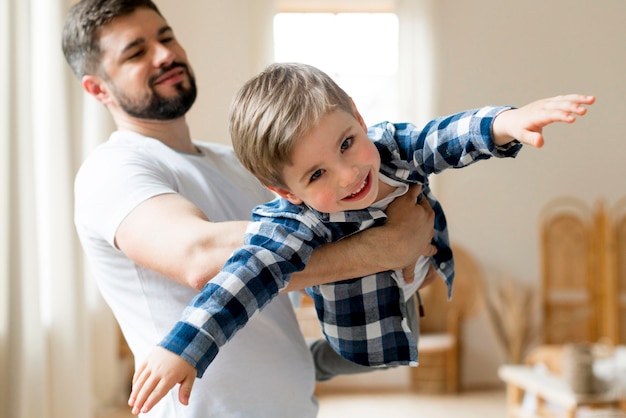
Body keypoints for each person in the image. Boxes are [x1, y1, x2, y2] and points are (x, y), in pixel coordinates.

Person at [127, 62, 595, 414]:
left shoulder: (389, 147)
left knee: (406, 331)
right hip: (358, 323)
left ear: (356, 114)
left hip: (412, 280)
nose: (350, 174)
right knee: (375, 358)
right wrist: (180, 349)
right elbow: (239, 281)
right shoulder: (296, 221)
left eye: (347, 143)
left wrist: (504, 124)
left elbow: (443, 137)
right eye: (317, 174)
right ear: (285, 191)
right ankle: (317, 361)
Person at [62, 2, 439, 418]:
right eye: (136, 52)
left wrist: (400, 265)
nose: (164, 54)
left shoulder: (243, 167)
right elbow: (203, 258)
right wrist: (382, 249)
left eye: (165, 37)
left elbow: (298, 258)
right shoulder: (112, 169)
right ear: (98, 89)